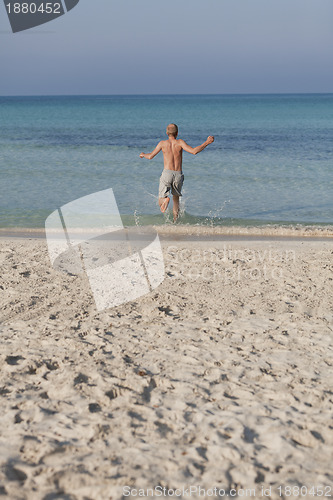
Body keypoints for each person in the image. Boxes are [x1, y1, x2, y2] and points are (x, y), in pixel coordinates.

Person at [140, 124, 214, 221]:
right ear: (177, 133)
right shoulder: (180, 143)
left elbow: (150, 156)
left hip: (167, 173)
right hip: (178, 174)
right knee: (176, 200)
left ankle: (165, 200)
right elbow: (194, 151)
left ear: (167, 133)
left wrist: (143, 154)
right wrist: (206, 142)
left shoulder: (162, 143)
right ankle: (175, 221)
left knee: (161, 200)